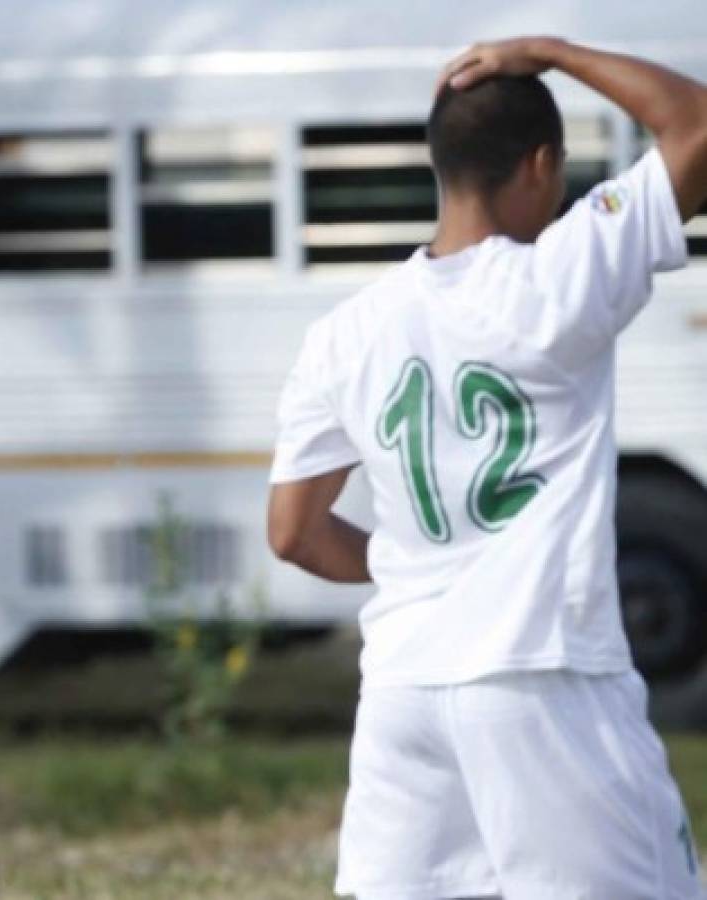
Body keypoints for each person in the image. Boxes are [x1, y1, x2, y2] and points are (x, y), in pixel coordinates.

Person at [268, 37, 707, 899]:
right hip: (543, 675)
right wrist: (548, 50)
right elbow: (694, 125)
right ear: (540, 164)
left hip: (403, 691)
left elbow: (293, 533)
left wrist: (416, 565)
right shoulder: (559, 275)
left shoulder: (344, 333)